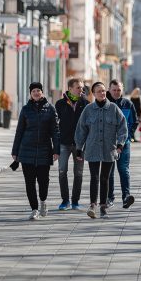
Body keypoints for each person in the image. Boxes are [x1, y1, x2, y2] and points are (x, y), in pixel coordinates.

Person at [75, 81, 127, 219]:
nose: (102, 93)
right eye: (99, 91)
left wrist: (120, 144)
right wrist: (79, 148)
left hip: (109, 149)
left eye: (104, 91)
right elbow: (81, 130)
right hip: (92, 149)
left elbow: (123, 127)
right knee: (94, 177)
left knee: (105, 178)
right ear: (93, 94)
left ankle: (103, 207)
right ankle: (93, 205)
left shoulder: (114, 109)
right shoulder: (88, 110)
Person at [12, 82, 60, 220]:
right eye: (34, 91)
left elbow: (55, 131)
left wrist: (56, 150)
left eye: (38, 90)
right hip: (26, 150)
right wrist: (15, 151)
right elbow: (19, 131)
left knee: (43, 181)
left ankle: (43, 201)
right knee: (29, 182)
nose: (36, 93)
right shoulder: (25, 110)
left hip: (45, 150)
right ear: (30, 93)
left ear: (42, 92)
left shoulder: (50, 109)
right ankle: (34, 209)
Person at [55, 78, 89, 211]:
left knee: (78, 173)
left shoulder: (86, 104)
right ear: (70, 89)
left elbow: (88, 126)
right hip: (64, 143)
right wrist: (55, 144)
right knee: (62, 171)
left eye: (82, 88)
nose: (81, 90)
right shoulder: (60, 104)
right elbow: (55, 125)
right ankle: (65, 201)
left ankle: (75, 201)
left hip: (80, 144)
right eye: (78, 87)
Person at [107, 80, 138, 209]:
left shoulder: (128, 104)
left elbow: (134, 122)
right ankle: (109, 198)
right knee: (109, 172)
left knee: (124, 170)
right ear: (109, 89)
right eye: (114, 90)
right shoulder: (105, 104)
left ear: (122, 89)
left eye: (118, 90)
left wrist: (128, 136)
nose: (116, 92)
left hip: (124, 144)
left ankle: (126, 197)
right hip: (108, 144)